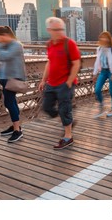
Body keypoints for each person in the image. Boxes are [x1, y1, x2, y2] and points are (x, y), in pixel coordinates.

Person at [38, 17, 81, 150]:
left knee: (64, 108)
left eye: (61, 29)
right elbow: (49, 62)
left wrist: (69, 81)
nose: (59, 32)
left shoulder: (70, 43)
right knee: (47, 107)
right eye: (56, 30)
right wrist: (44, 80)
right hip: (52, 83)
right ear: (49, 30)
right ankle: (67, 121)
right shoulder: (49, 44)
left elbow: (76, 63)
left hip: (65, 83)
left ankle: (68, 137)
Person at [0, 26, 26, 143]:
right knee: (11, 102)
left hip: (12, 78)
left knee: (9, 102)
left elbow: (5, 56)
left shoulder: (16, 45)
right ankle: (15, 126)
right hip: (4, 77)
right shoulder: (6, 45)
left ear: (4, 35)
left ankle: (17, 131)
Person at [92, 31, 112, 118]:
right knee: (97, 89)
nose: (103, 39)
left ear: (108, 39)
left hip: (111, 72)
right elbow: (97, 61)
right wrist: (95, 73)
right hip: (103, 71)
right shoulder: (99, 48)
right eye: (101, 37)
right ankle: (102, 106)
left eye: (105, 37)